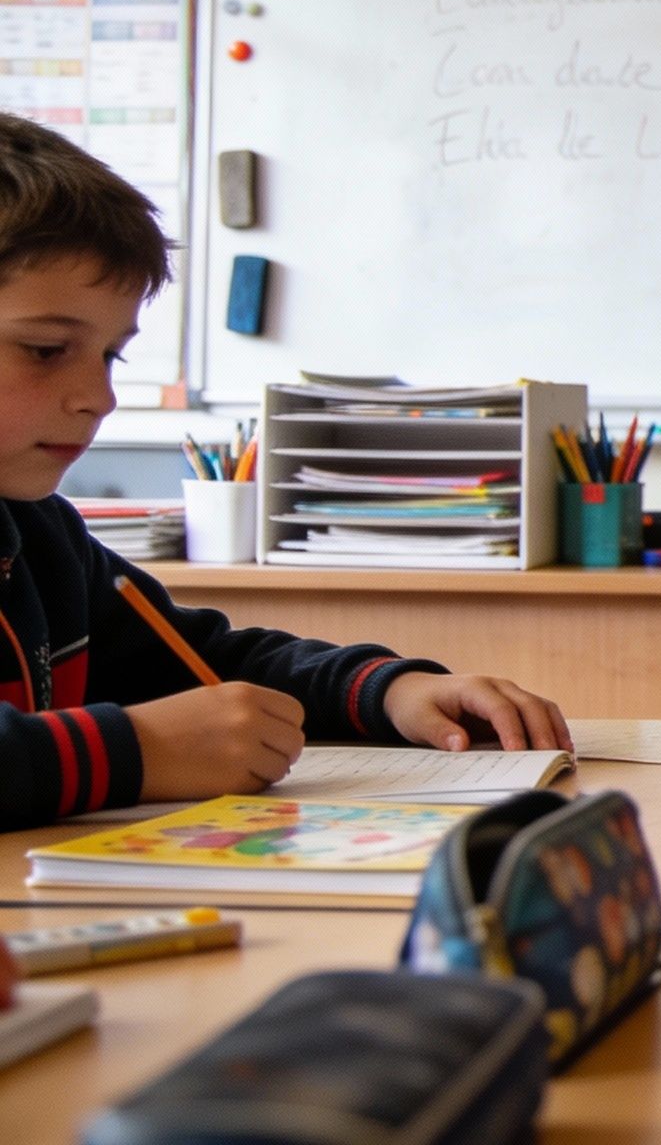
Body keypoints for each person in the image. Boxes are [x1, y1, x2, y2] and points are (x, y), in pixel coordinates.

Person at [1, 114, 571, 832]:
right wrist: (138, 751)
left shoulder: (38, 535)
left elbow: (200, 660)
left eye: (112, 355)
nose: (99, 396)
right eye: (47, 349)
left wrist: (388, 691)